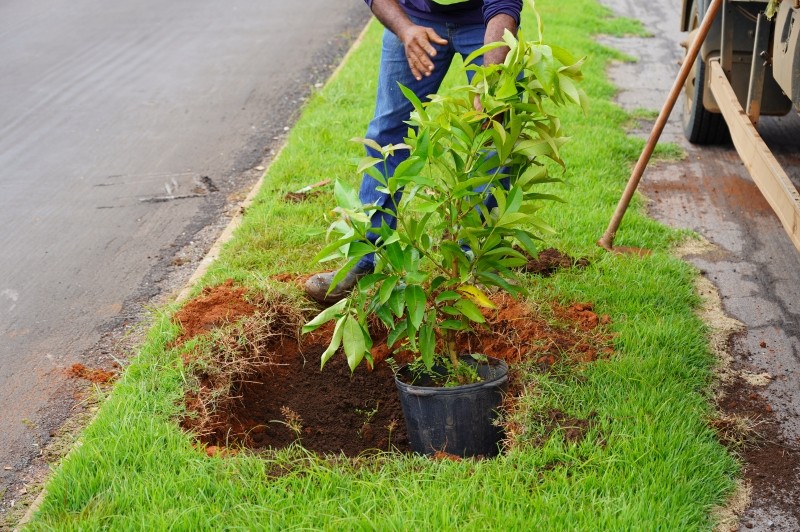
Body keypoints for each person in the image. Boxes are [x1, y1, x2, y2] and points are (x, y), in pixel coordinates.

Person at [305, 0, 523, 304]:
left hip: (484, 21)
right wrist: (405, 30)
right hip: (412, 14)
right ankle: (367, 257)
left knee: (496, 134)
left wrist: (493, 79)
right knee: (387, 133)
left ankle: (476, 263)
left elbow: (502, 3)